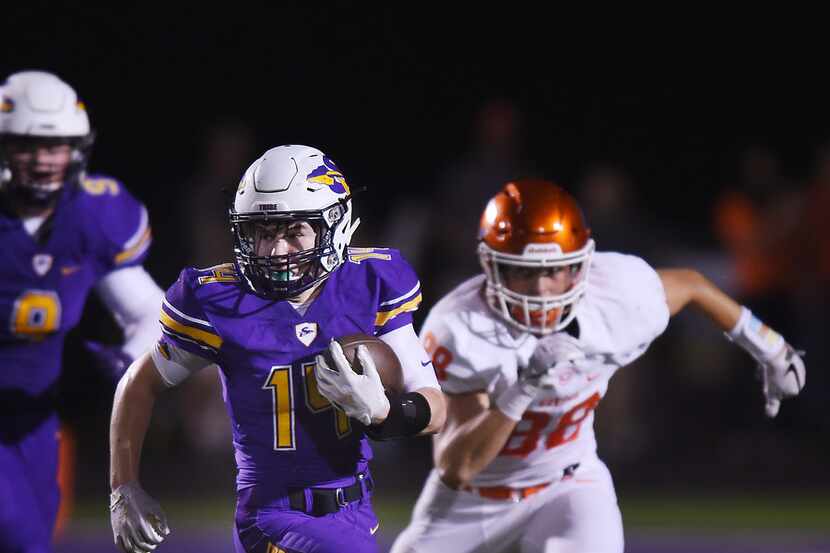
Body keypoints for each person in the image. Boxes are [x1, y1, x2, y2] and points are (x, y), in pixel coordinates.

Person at [391, 178, 805, 553]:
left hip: (568, 484)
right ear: (491, 266)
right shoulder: (460, 328)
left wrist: (771, 347)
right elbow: (457, 467)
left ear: (579, 265)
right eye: (522, 273)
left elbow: (693, 286)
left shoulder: (617, 293)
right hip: (475, 499)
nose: (541, 289)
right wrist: (522, 390)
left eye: (554, 271)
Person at [108, 144, 447, 553]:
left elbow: (436, 410)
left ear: (334, 225)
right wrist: (122, 487)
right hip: (272, 517)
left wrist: (386, 414)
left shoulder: (372, 282)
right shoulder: (218, 301)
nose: (275, 250)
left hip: (355, 510)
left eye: (293, 231)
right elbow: (138, 384)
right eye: (263, 232)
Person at [0, 70, 164, 552]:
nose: (45, 160)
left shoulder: (92, 215)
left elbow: (147, 311)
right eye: (29, 145)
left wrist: (130, 363)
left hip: (32, 420)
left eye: (56, 146)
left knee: (30, 541)